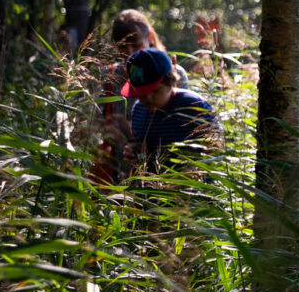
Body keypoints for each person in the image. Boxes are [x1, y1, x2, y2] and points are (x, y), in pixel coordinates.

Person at [93, 10, 191, 183]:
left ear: (150, 37)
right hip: (120, 175)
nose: (129, 53)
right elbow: (96, 123)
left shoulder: (172, 73)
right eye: (122, 47)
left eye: (136, 45)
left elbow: (186, 123)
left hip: (168, 175)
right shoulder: (110, 77)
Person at [121, 47, 221, 171]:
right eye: (142, 93)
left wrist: (190, 173)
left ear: (171, 82)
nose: (148, 98)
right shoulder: (138, 110)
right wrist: (133, 152)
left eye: (155, 91)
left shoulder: (196, 107)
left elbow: (216, 150)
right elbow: (138, 144)